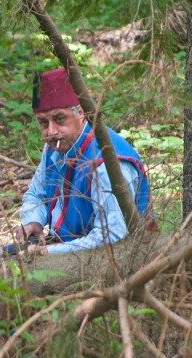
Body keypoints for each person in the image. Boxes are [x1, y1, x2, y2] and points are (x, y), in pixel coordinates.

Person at [14, 67, 155, 255]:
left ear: (80, 112)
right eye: (43, 122)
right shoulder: (54, 147)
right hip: (68, 249)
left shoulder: (106, 163)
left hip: (122, 259)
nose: (51, 131)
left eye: (59, 119)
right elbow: (36, 194)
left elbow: (112, 236)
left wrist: (48, 252)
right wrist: (34, 221)